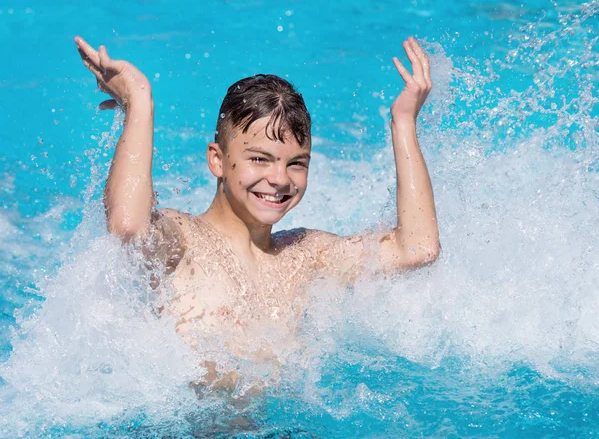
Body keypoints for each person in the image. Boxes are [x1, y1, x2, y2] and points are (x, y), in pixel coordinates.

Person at [74, 35, 440, 389]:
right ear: (217, 160)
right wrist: (139, 103)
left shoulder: (306, 256)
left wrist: (403, 121)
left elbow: (417, 248)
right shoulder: (181, 241)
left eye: (297, 163)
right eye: (260, 160)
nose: (279, 179)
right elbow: (128, 227)